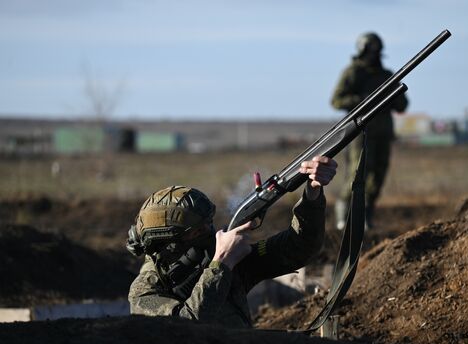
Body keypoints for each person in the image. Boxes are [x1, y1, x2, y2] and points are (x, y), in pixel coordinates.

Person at [126, 156, 337, 328]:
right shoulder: (144, 292)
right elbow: (187, 326)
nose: (209, 232)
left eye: (208, 223)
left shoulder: (218, 260)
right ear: (170, 244)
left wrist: (312, 194)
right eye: (198, 231)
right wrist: (220, 265)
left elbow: (299, 248)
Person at [331, 32, 408, 230]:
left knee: (377, 178)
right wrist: (362, 99)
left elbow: (402, 105)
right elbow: (336, 100)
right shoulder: (353, 72)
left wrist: (391, 96)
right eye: (370, 49)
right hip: (360, 133)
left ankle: (366, 218)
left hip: (383, 133)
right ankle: (342, 220)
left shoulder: (386, 76)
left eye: (377, 50)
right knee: (357, 175)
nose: (374, 54)